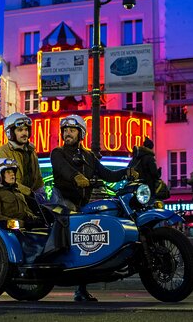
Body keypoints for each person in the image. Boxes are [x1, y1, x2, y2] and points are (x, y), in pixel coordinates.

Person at [50, 114, 137, 302]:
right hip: (63, 201)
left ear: (81, 133)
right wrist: (76, 177)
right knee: (68, 237)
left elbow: (107, 174)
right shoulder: (57, 152)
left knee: (86, 244)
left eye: (72, 130)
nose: (67, 134)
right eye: (65, 130)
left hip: (83, 205)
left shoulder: (89, 156)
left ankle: (81, 289)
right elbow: (63, 169)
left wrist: (126, 172)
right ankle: (56, 266)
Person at [0, 112, 45, 201]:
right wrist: (28, 193)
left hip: (31, 200)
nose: (25, 133)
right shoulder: (2, 152)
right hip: (11, 201)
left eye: (26, 130)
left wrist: (41, 193)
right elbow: (4, 181)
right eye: (20, 130)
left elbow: (38, 177)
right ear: (10, 133)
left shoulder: (31, 151)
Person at [0, 158, 39, 227]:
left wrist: (35, 220)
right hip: (10, 233)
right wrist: (22, 224)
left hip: (25, 231)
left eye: (13, 172)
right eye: (8, 172)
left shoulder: (16, 192)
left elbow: (26, 212)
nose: (12, 174)